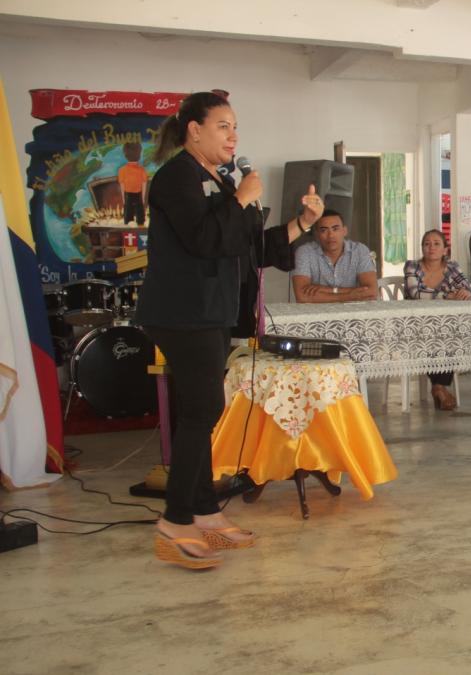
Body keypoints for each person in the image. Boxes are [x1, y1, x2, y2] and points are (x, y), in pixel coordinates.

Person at [135, 91, 318, 569]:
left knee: (200, 411)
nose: (233, 135)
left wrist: (302, 223)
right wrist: (240, 198)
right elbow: (203, 239)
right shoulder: (176, 177)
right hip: (182, 311)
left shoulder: (218, 178)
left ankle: (204, 513)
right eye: (222, 126)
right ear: (193, 130)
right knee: (202, 410)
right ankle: (175, 522)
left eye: (235, 127)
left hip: (211, 311)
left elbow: (248, 247)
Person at [403, 229, 471, 410]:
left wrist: (465, 292)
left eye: (436, 244)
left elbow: (467, 288)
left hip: (445, 325)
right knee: (434, 335)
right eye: (427, 244)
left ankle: (438, 387)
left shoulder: (452, 267)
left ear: (445, 250)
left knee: (450, 334)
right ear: (422, 248)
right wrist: (447, 296)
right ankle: (439, 387)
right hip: (416, 324)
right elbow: (415, 294)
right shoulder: (412, 266)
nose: (431, 247)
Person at [290, 209, 377, 302]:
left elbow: (372, 292)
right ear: (317, 234)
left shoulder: (359, 250)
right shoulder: (305, 252)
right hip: (317, 314)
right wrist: (350, 296)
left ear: (344, 231)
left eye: (335, 229)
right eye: (324, 230)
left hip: (353, 313)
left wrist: (323, 290)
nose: (330, 235)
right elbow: (302, 297)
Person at [117, 141, 148, 226]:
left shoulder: (121, 170)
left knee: (128, 214)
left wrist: (124, 199)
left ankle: (128, 226)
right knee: (140, 215)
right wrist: (142, 198)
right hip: (139, 194)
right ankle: (141, 225)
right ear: (139, 154)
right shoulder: (142, 169)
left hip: (128, 195)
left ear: (126, 155)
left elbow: (122, 186)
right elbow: (144, 185)